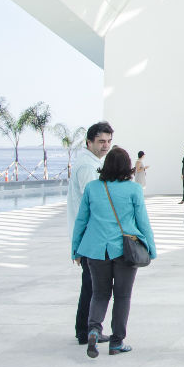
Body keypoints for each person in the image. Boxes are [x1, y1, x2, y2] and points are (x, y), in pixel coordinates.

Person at [72, 146, 156, 357]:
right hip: (124, 250)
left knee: (99, 294)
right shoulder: (134, 189)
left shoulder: (92, 188)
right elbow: (142, 222)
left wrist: (76, 249)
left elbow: (81, 220)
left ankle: (93, 329)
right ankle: (116, 342)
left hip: (96, 249)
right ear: (127, 167)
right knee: (122, 296)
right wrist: (151, 249)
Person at [67, 121, 113, 348]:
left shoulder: (93, 162)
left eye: (108, 141)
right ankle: (86, 330)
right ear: (89, 142)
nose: (105, 146)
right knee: (93, 286)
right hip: (90, 236)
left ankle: (85, 329)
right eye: (101, 141)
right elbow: (92, 200)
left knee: (92, 285)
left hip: (89, 235)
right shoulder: (87, 166)